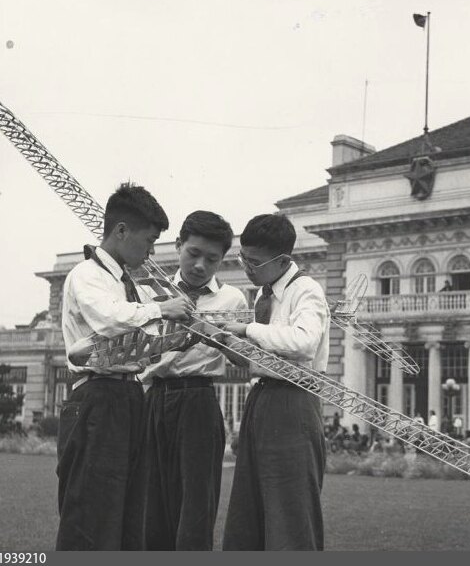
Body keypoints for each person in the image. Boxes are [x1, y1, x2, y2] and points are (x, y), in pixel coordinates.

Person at [56, 182, 193, 551]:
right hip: (97, 398)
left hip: (129, 395)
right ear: (121, 231)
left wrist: (185, 333)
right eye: (149, 240)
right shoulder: (86, 275)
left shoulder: (129, 284)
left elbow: (142, 338)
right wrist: (162, 308)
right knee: (92, 513)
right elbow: (108, 319)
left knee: (130, 515)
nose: (151, 251)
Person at [138, 210, 248, 550]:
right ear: (178, 245)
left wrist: (218, 336)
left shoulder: (233, 299)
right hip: (154, 398)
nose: (200, 265)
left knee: (197, 503)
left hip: (199, 400)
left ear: (222, 259)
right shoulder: (149, 293)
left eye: (212, 259)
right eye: (193, 253)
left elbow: (245, 361)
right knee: (151, 502)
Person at [219, 213, 329, 551]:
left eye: (253, 262)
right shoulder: (263, 295)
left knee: (290, 508)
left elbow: (304, 342)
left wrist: (248, 329)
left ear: (282, 260)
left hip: (294, 401)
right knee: (250, 506)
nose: (247, 269)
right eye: (243, 259)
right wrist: (225, 342)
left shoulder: (306, 290)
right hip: (262, 397)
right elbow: (264, 358)